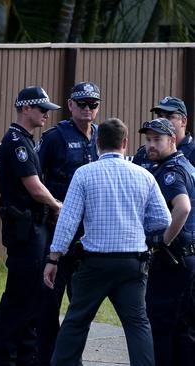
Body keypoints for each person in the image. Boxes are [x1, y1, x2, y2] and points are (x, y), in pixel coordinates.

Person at [44, 118, 171, 366]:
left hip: (94, 264)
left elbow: (68, 220)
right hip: (132, 264)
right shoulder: (144, 176)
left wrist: (54, 257)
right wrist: (138, 229)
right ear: (125, 143)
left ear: (97, 143)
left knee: (76, 322)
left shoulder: (84, 174)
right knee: (138, 325)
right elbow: (163, 219)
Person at [0, 86, 63, 366]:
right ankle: (3, 356)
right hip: (25, 229)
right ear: (25, 108)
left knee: (32, 294)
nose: (46, 114)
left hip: (33, 228)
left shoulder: (26, 140)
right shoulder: (17, 143)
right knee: (19, 296)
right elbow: (34, 187)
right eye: (42, 108)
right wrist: (58, 206)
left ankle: (24, 354)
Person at [36, 81, 100, 365]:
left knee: (81, 303)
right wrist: (50, 206)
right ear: (71, 105)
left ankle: (72, 358)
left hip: (88, 234)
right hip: (58, 228)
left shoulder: (100, 136)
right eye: (82, 104)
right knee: (49, 300)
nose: (87, 109)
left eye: (93, 104)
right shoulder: (55, 137)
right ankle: (47, 357)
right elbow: (34, 177)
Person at [138, 117, 195, 366]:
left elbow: (182, 208)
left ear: (172, 140)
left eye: (157, 140)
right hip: (187, 257)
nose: (151, 145)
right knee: (183, 328)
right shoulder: (183, 164)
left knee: (160, 325)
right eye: (148, 139)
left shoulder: (171, 171)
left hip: (174, 260)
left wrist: (163, 241)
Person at [133, 96, 193, 170]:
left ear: (183, 121)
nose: (162, 121)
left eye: (169, 117)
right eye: (160, 116)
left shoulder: (193, 152)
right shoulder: (144, 153)